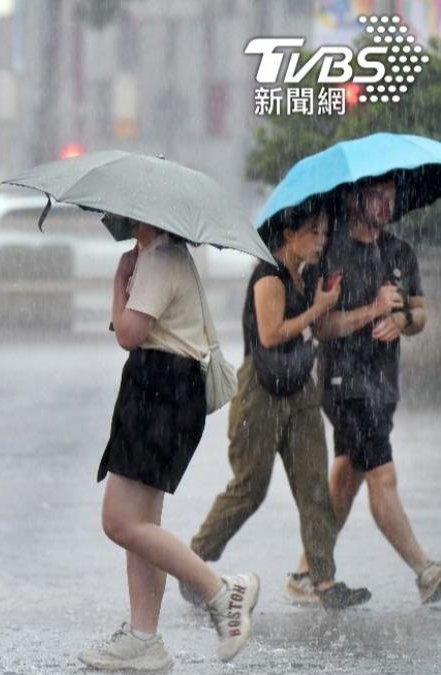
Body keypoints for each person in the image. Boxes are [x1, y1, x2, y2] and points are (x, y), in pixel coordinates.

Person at [78, 217, 259, 671]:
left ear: (141, 213)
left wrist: (119, 281)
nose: (112, 218)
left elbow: (128, 333)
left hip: (159, 391)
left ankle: (221, 592)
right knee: (143, 526)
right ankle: (143, 638)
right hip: (166, 392)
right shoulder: (167, 256)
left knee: (119, 522)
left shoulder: (159, 258)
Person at [183, 208, 370, 610]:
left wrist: (346, 307)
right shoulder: (269, 275)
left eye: (324, 232)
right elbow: (270, 335)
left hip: (299, 388)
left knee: (314, 484)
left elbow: (314, 329)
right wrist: (318, 308)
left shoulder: (305, 275)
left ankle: (323, 579)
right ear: (288, 234)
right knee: (251, 488)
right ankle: (193, 560)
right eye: (313, 232)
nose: (322, 240)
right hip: (260, 392)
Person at [307, 178, 440, 604]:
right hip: (344, 384)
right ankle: (426, 571)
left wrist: (402, 320)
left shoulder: (399, 251)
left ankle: (306, 570)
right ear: (353, 198)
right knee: (383, 474)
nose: (387, 204)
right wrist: (373, 311)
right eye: (376, 196)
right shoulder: (334, 252)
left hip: (383, 384)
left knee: (347, 478)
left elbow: (418, 311)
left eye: (392, 196)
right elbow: (322, 326)